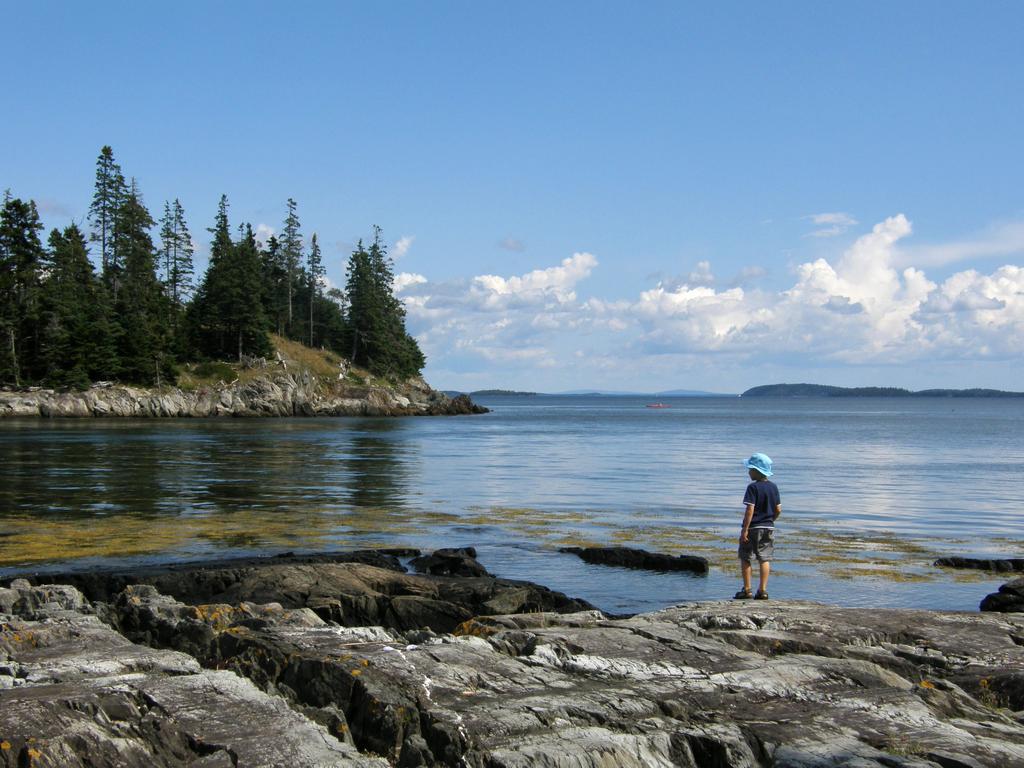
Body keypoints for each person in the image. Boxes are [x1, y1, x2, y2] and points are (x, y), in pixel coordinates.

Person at [734, 452, 781, 600]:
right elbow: (778, 508)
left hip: (753, 527)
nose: (748, 472)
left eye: (750, 469)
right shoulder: (774, 488)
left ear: (756, 471)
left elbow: (750, 510)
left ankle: (747, 589)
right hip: (768, 526)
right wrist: (771, 519)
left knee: (745, 556)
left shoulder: (752, 488)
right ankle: (762, 590)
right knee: (764, 558)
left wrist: (744, 530)